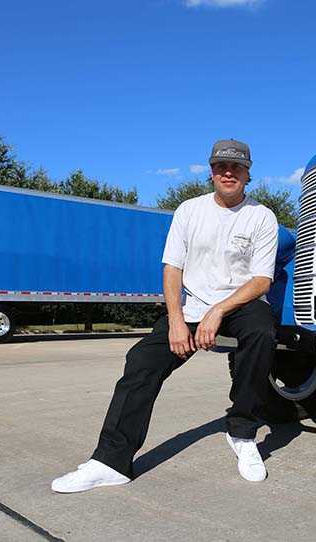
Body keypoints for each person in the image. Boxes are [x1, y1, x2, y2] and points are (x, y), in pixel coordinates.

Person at [51, 139, 279, 492]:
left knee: (262, 332)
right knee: (141, 360)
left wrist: (219, 310)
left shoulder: (261, 216)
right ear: (211, 172)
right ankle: (111, 461)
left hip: (239, 304)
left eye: (236, 167)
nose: (228, 173)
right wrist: (176, 320)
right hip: (193, 306)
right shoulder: (190, 210)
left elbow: (261, 280)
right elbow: (173, 268)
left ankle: (242, 432)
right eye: (221, 166)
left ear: (248, 174)